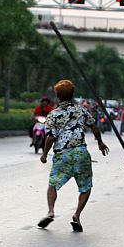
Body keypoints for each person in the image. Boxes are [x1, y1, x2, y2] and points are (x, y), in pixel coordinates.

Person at [37, 79, 109, 231]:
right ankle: (77, 214)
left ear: (57, 95)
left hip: (63, 155)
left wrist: (44, 154)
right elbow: (94, 127)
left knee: (53, 185)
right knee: (85, 187)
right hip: (81, 153)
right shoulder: (81, 110)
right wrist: (100, 143)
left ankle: (50, 212)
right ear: (72, 95)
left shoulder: (53, 114)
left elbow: (50, 137)